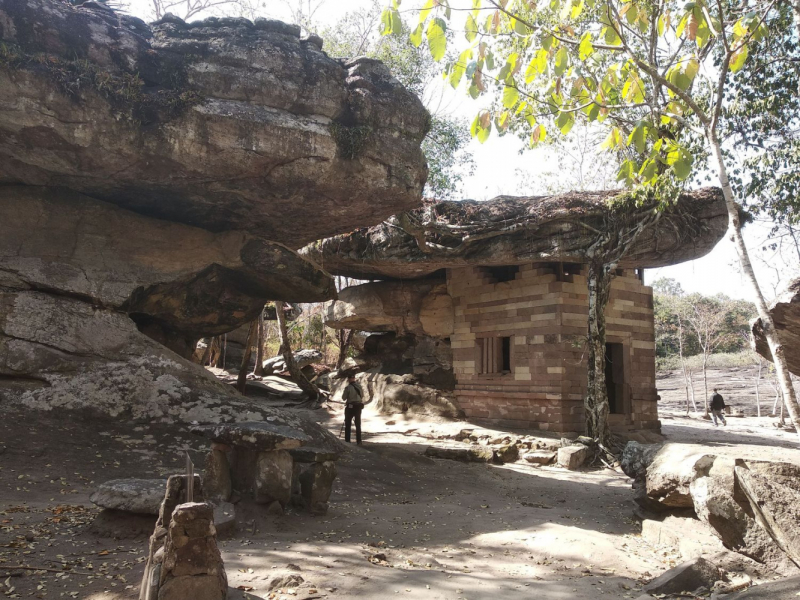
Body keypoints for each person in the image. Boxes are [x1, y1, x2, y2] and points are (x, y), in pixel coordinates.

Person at [342, 374, 365, 445]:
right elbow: (362, 395)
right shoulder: (360, 386)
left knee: (348, 424)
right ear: (354, 378)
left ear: (348, 379)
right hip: (358, 406)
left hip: (350, 406)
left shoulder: (348, 388)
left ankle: (347, 440)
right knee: (358, 424)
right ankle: (359, 441)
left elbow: (343, 398)